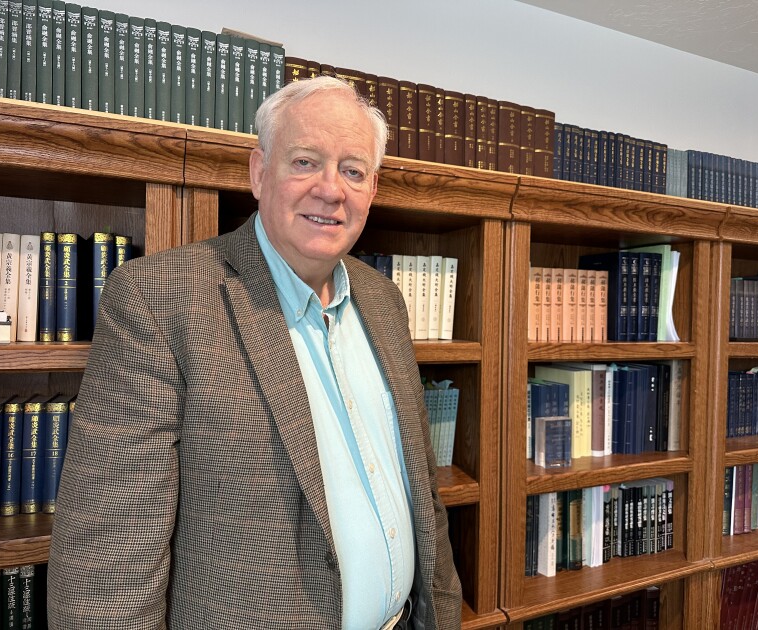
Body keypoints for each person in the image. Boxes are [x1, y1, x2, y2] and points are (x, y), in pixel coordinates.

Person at [47, 75, 462, 629]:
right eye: (306, 161)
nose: (331, 189)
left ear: (373, 189)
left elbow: (421, 497)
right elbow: (108, 554)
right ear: (259, 173)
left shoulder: (383, 300)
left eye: (353, 171)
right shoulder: (161, 299)